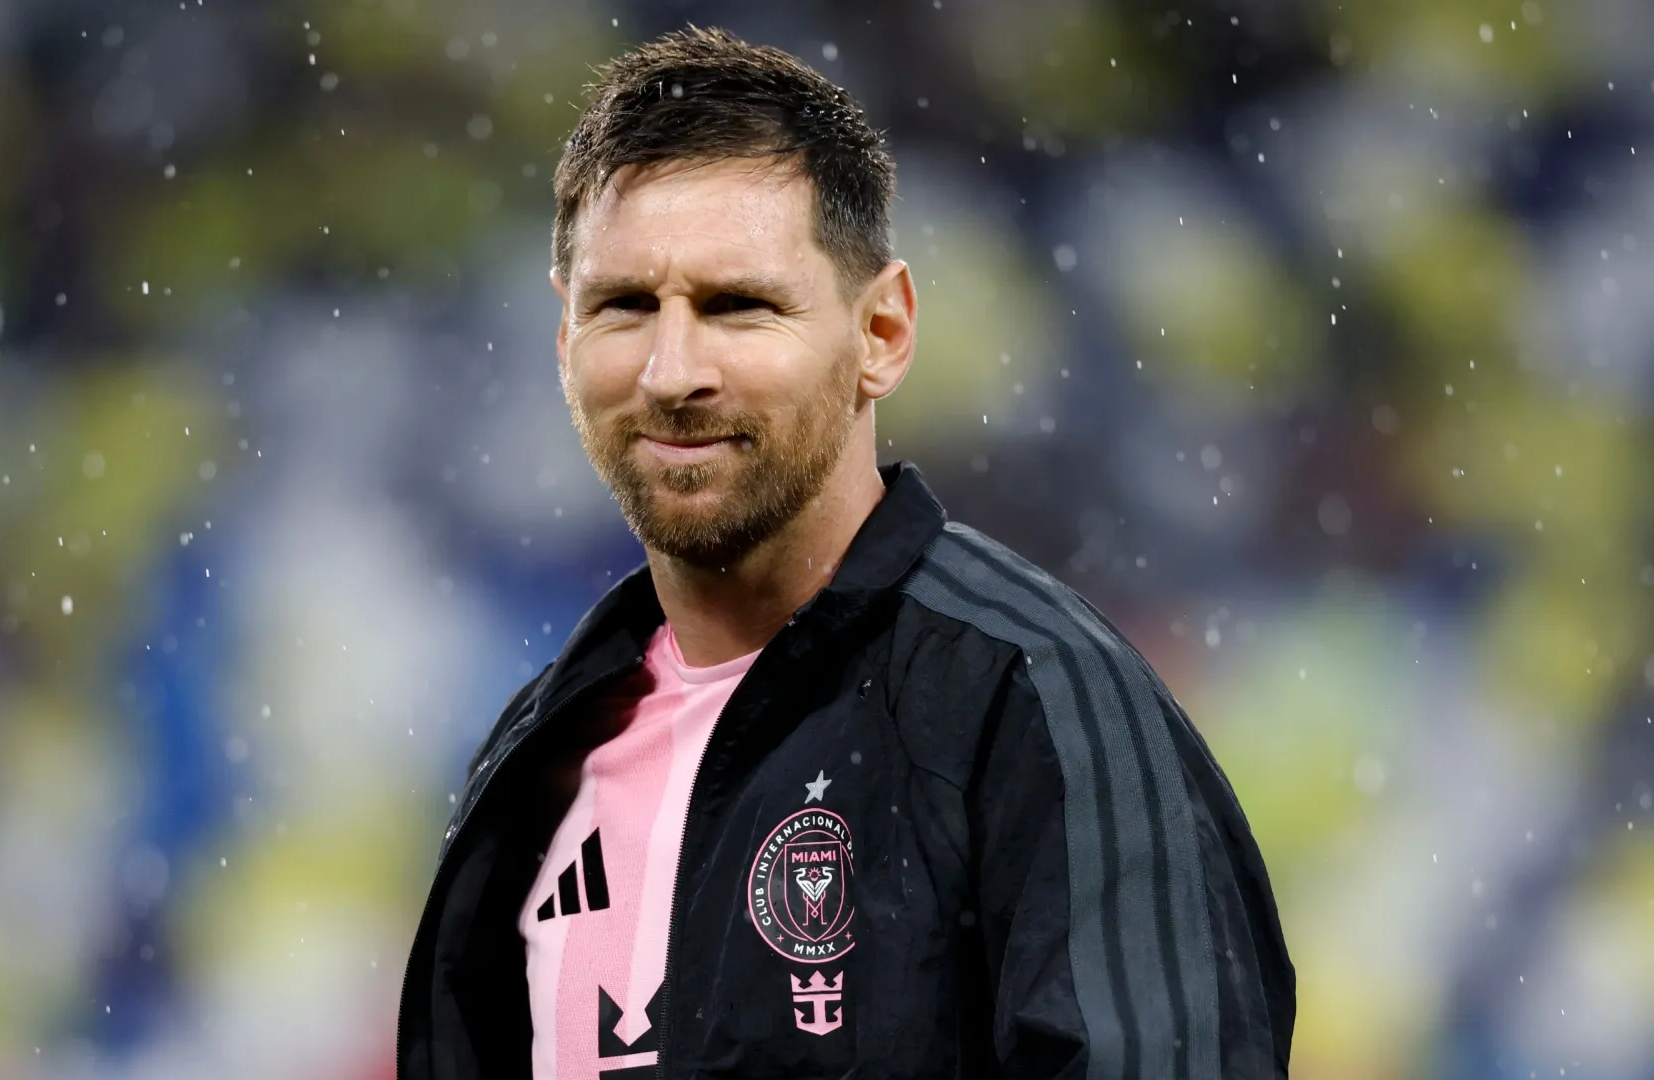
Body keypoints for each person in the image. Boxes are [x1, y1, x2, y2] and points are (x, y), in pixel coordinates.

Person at [398, 26, 1294, 1080]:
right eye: (624, 307)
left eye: (739, 306)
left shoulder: (1040, 705)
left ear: (882, 335)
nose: (672, 370)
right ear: (565, 344)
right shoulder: (535, 754)